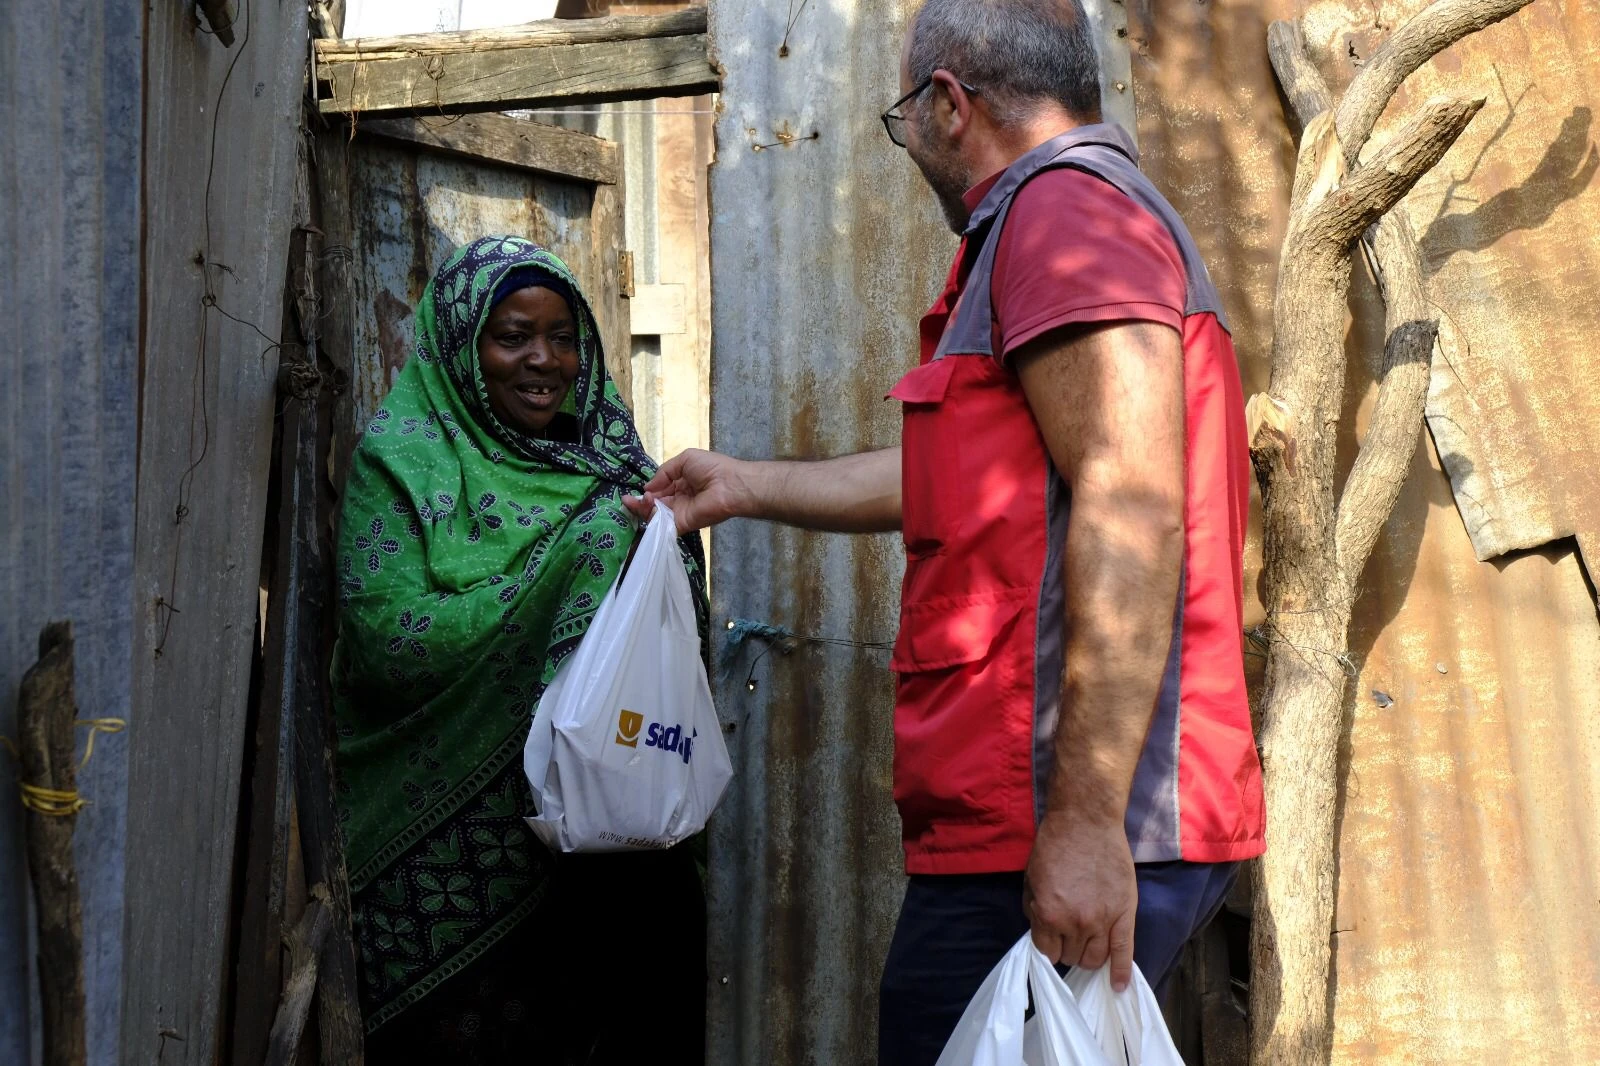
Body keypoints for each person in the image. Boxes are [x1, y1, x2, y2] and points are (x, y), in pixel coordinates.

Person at [627, 0, 1265, 1061]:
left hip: (1072, 809)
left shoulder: (1066, 218)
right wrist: (740, 486)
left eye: (903, 120)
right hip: (1035, 807)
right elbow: (975, 482)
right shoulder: (1052, 224)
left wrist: (1085, 820)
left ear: (950, 103)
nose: (911, 144)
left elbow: (1130, 504)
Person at [333, 236, 708, 1065]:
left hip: (616, 866)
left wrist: (657, 546)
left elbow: (672, 641)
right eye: (512, 336)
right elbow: (387, 643)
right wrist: (562, 572)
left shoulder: (613, 470)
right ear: (464, 347)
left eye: (563, 336)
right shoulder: (398, 467)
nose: (544, 360)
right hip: (456, 878)